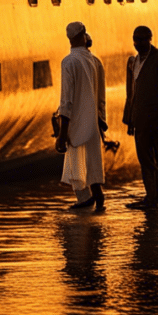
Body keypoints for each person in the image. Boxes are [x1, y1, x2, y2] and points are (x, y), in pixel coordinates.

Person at [122, 26, 158, 209]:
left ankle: (153, 198)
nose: (139, 43)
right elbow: (131, 93)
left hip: (154, 118)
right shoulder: (133, 61)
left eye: (143, 39)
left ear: (150, 39)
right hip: (139, 119)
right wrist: (129, 119)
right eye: (136, 39)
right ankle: (155, 195)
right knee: (148, 158)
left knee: (149, 158)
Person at [55, 22, 105, 211]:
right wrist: (102, 121)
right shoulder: (95, 61)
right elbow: (101, 96)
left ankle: (85, 199)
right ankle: (97, 197)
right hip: (93, 121)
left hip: (76, 121)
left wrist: (62, 132)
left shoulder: (69, 62)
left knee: (77, 160)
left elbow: (66, 100)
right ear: (82, 36)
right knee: (92, 160)